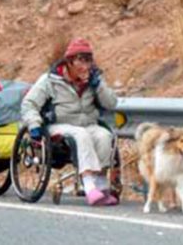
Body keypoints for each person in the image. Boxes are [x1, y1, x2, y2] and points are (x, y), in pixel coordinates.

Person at [21, 38, 118, 206]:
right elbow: (29, 104)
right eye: (81, 60)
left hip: (88, 123)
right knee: (81, 135)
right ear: (69, 62)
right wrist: (34, 124)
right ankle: (88, 186)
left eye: (88, 61)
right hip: (59, 124)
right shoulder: (50, 80)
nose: (85, 66)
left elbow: (111, 103)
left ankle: (101, 186)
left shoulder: (94, 80)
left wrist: (99, 86)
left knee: (104, 136)